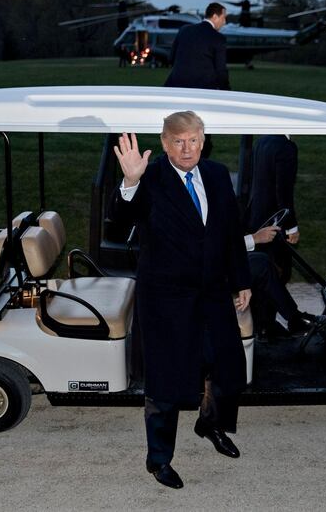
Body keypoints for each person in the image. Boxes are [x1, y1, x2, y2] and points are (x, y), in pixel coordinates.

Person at [111, 111, 251, 490]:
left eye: (192, 140)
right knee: (166, 383)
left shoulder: (219, 175)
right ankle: (158, 459)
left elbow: (230, 233)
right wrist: (129, 181)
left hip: (213, 293)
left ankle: (210, 423)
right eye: (178, 141)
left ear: (203, 141)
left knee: (228, 369)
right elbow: (120, 219)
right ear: (165, 143)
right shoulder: (150, 177)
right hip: (166, 301)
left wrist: (242, 280)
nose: (186, 148)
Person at [164, 2, 230, 159]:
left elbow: (170, 58)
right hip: (202, 94)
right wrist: (228, 93)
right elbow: (221, 72)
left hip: (175, 90)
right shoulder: (218, 38)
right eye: (224, 17)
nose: (225, 22)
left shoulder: (184, 31)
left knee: (176, 132)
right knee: (201, 136)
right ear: (215, 16)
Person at [244, 134, 300, 282]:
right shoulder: (286, 147)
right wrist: (291, 226)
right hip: (275, 222)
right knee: (278, 275)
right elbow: (284, 190)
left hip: (257, 217)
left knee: (262, 271)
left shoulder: (261, 141)